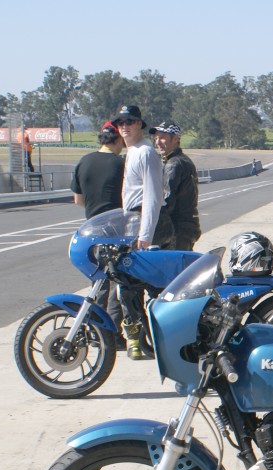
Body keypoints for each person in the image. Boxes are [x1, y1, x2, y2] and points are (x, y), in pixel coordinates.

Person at [113, 103, 171, 360]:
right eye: (120, 122)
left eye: (129, 122)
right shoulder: (132, 152)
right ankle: (141, 341)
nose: (124, 126)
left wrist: (145, 237)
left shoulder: (146, 153)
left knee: (151, 289)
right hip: (132, 225)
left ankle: (163, 341)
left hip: (146, 228)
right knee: (129, 289)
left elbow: (153, 197)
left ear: (139, 124)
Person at [70, 120, 127, 345]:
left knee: (97, 284)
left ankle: (94, 331)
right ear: (117, 139)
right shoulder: (121, 163)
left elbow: (78, 200)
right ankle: (111, 333)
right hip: (117, 230)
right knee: (117, 284)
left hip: (90, 230)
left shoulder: (84, 162)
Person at [149, 120, 201, 251]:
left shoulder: (174, 164)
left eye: (162, 138)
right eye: (156, 138)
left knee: (171, 269)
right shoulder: (184, 160)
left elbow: (167, 201)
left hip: (177, 228)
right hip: (188, 227)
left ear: (176, 139)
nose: (157, 142)